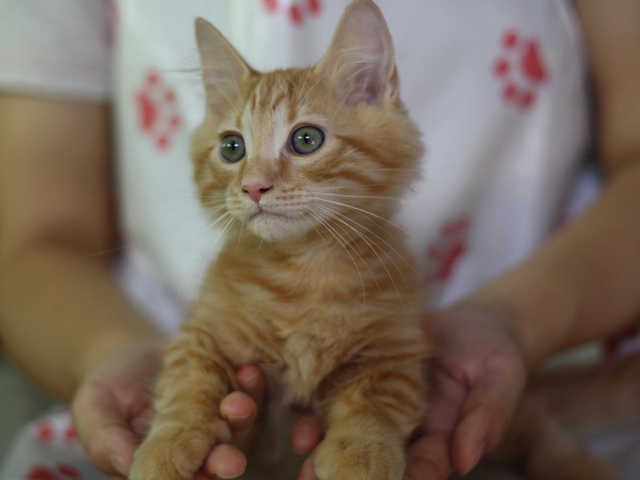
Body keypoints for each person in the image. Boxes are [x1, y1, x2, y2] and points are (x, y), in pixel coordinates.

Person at [0, 1, 639, 479]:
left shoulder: (387, 277)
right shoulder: (233, 277)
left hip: (516, 359)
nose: (255, 181)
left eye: (304, 141)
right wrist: (166, 398)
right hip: (142, 365)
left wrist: (508, 322)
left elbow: (387, 370)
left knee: (477, 421)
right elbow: (38, 242)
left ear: (373, 94)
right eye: (234, 148)